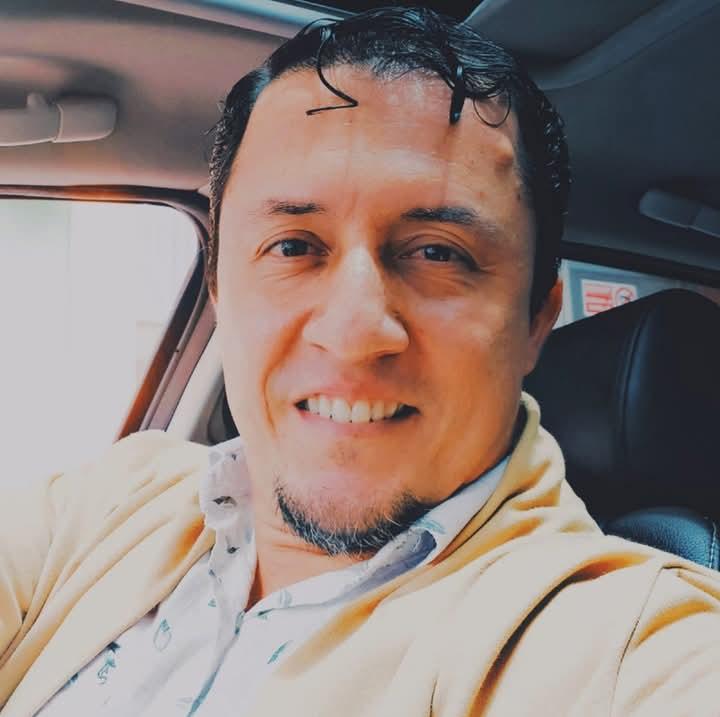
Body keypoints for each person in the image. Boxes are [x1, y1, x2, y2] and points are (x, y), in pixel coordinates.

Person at [1, 7, 718, 716]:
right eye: (292, 246)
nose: (352, 333)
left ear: (537, 320)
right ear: (219, 286)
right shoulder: (114, 500)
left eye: (438, 253)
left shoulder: (622, 643)